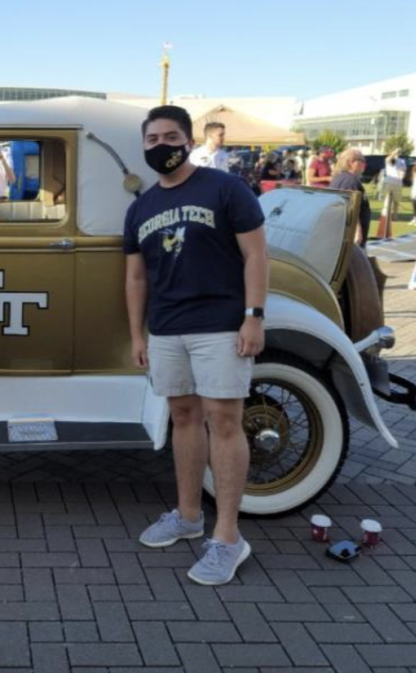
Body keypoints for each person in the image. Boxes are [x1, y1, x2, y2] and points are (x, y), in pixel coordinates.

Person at [125, 105, 268, 586]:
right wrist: (136, 334)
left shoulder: (225, 187)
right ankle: (188, 516)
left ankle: (228, 538)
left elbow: (255, 253)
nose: (160, 146)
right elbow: (136, 274)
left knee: (223, 420)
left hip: (220, 325)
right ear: (143, 145)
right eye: (151, 139)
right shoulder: (140, 207)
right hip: (166, 328)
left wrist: (254, 317)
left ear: (188, 140)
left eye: (170, 136)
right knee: (183, 417)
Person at [329, 148, 371, 247]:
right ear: (352, 163)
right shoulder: (350, 181)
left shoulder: (342, 178)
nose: (364, 165)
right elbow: (350, 207)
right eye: (361, 161)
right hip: (348, 237)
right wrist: (357, 231)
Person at [382, 150, 406, 217]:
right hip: (389, 181)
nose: (397, 154)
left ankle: (395, 215)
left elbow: (403, 171)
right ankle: (385, 215)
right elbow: (390, 157)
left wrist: (401, 178)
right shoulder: (388, 159)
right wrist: (395, 151)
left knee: (396, 200)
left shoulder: (402, 161)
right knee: (388, 198)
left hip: (398, 183)